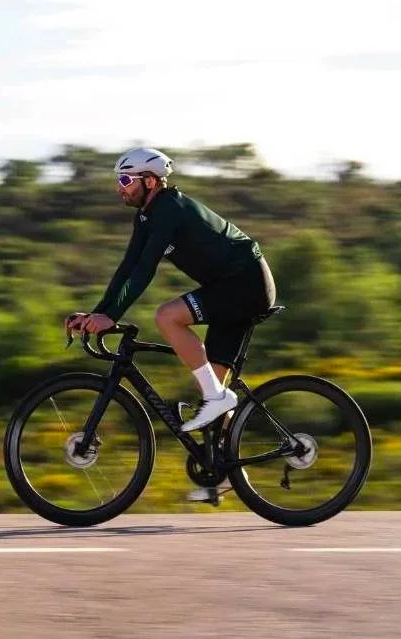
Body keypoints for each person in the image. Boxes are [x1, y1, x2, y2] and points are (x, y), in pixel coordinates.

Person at [65, 147, 276, 501]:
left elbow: (146, 270)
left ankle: (217, 399)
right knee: (212, 384)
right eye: (119, 180)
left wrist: (110, 316)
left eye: (125, 180)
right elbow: (127, 269)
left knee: (167, 316)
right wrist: (98, 312)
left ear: (150, 181)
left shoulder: (168, 210)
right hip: (230, 288)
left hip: (246, 284)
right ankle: (222, 474)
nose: (120, 188)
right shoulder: (148, 216)